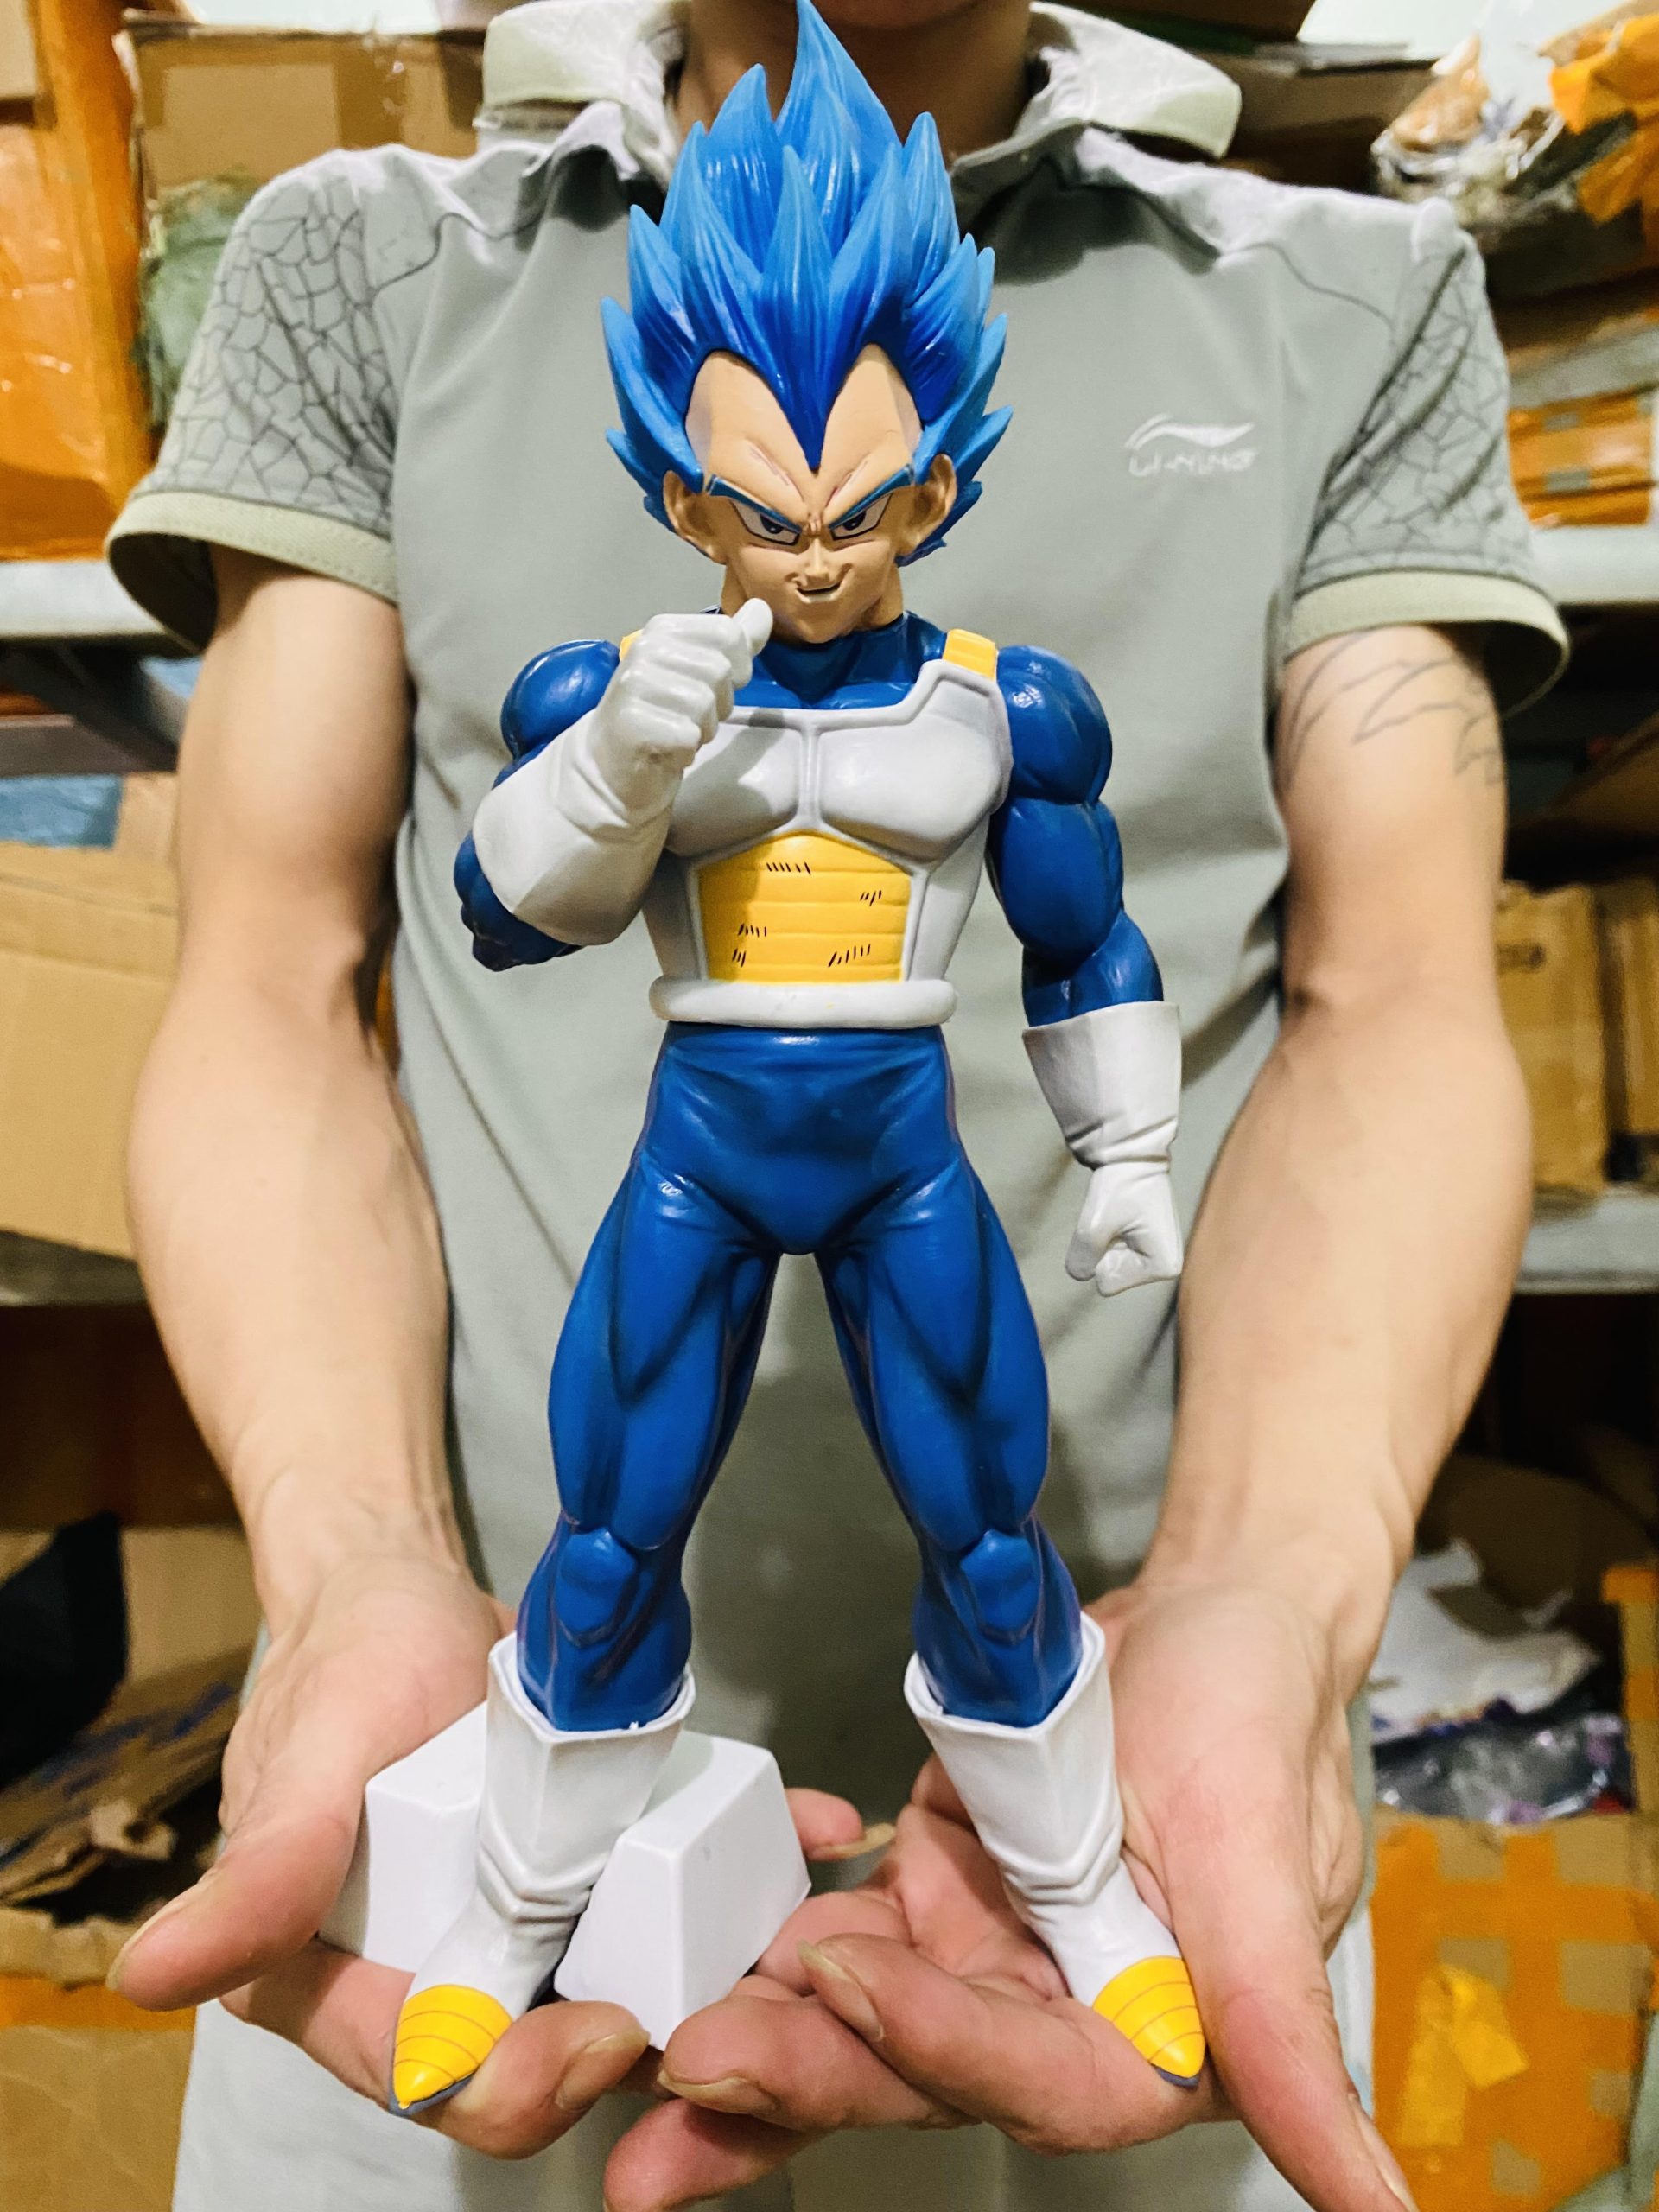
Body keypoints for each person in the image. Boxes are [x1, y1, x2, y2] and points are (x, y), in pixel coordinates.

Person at [104, 0, 1560, 2206]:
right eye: (754, 514)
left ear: (945, 479)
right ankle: (511, 1894)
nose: (805, 558)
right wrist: (610, 769)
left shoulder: (1070, 630)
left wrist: (1147, 1201)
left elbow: (1246, 970)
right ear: (676, 489)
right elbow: (381, 950)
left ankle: (1079, 1872)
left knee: (989, 1534)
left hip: (908, 1187)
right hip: (697, 1162)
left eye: (861, 513)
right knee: (611, 1529)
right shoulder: (448, 401)